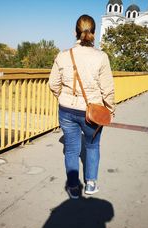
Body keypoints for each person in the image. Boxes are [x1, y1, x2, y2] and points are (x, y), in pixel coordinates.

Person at [49, 14, 115, 199]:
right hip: (92, 112)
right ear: (93, 32)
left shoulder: (62, 56)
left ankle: (73, 188)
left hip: (66, 110)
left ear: (75, 32)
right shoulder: (101, 57)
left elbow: (53, 84)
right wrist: (110, 110)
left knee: (71, 149)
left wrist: (64, 98)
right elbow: (108, 89)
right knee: (92, 147)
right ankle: (91, 184)